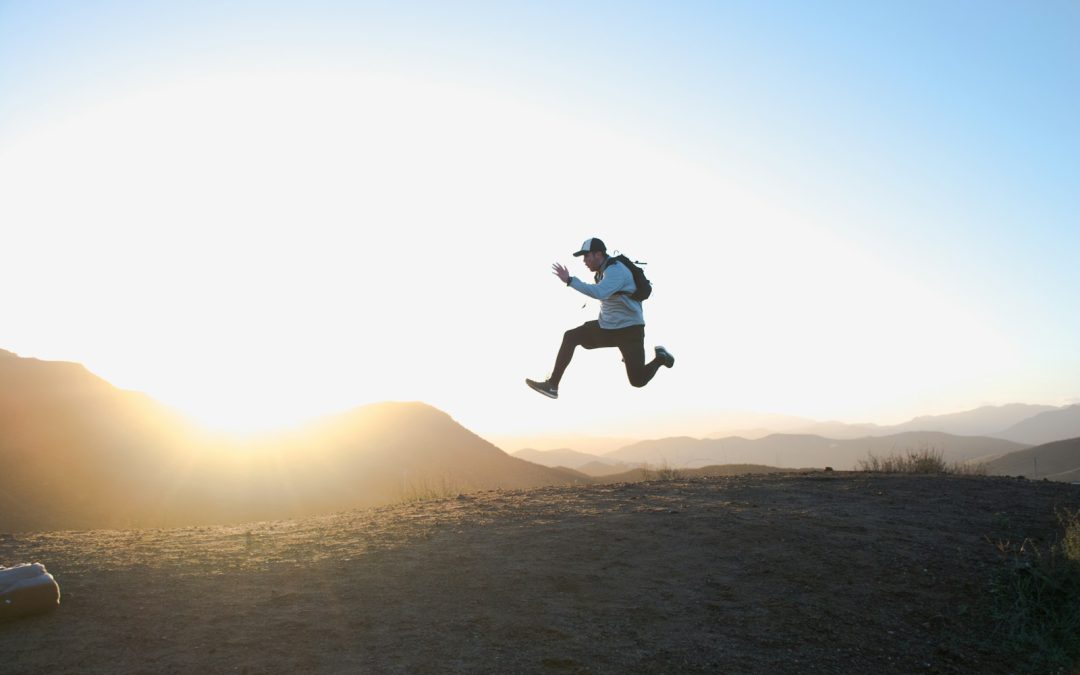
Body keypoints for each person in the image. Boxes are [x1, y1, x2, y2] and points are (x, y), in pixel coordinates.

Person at [526, 237, 674, 399]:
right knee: (571, 336)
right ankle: (552, 385)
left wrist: (570, 281)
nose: (584, 261)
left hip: (630, 332)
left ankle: (660, 358)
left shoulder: (616, 270)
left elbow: (599, 293)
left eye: (586, 256)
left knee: (638, 381)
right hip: (607, 328)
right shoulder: (601, 272)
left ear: (598, 254)